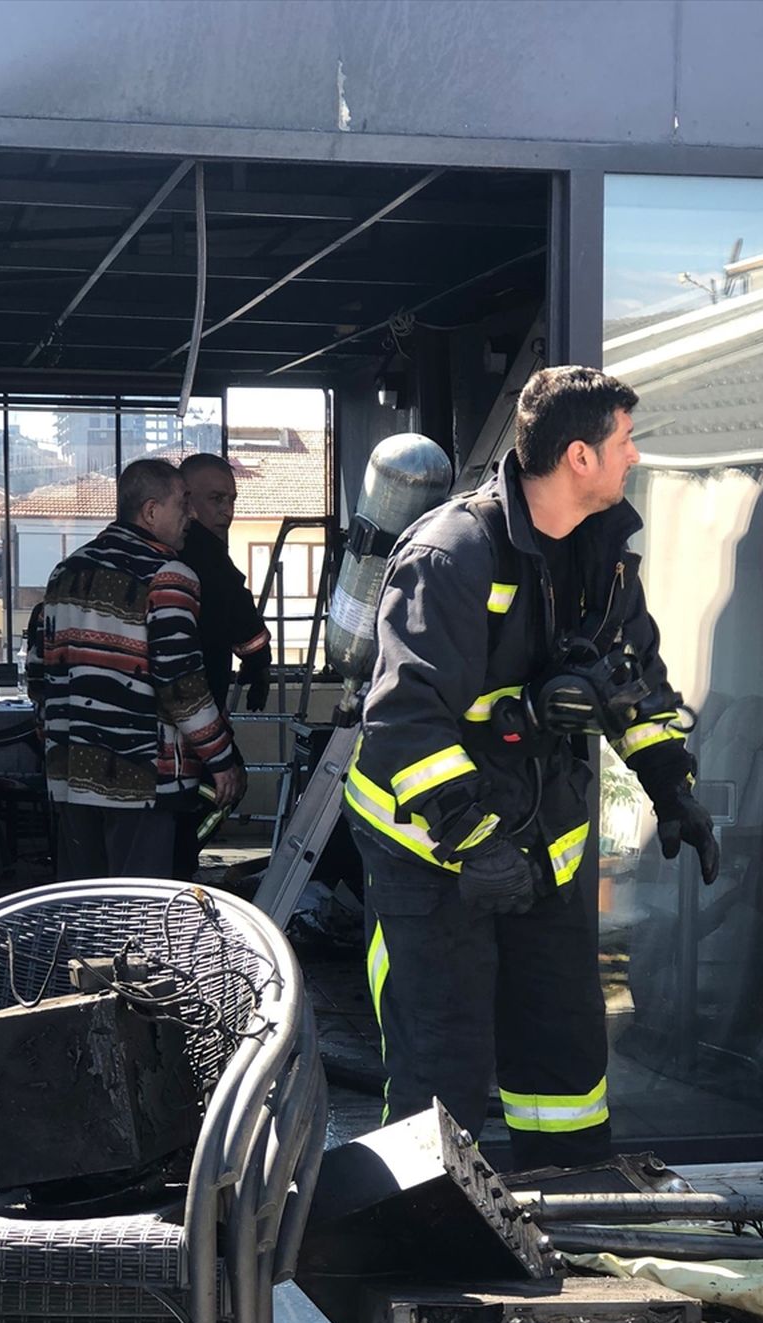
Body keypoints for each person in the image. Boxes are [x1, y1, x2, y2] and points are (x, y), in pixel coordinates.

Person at [343, 366, 719, 1170]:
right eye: (625, 441)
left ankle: (574, 1203)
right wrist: (474, 840)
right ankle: (427, 1225)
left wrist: (671, 785)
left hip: (542, 835)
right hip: (430, 847)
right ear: (579, 456)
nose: (635, 456)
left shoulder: (603, 554)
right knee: (443, 1051)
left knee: (562, 1043)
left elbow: (633, 679)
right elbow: (406, 718)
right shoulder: (451, 555)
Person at [30, 457, 245, 880]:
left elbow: (40, 674)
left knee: (85, 902)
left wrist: (53, 743)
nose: (192, 515)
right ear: (150, 511)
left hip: (70, 776)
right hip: (143, 782)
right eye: (183, 504)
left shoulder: (65, 573)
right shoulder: (167, 576)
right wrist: (221, 759)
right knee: (139, 906)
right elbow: (181, 686)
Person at [174, 453, 272, 878]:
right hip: (192, 715)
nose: (227, 512)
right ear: (184, 500)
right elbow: (244, 620)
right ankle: (179, 862)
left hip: (175, 721)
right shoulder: (206, 556)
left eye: (231, 500)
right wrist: (258, 663)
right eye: (216, 499)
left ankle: (174, 859)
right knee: (228, 783)